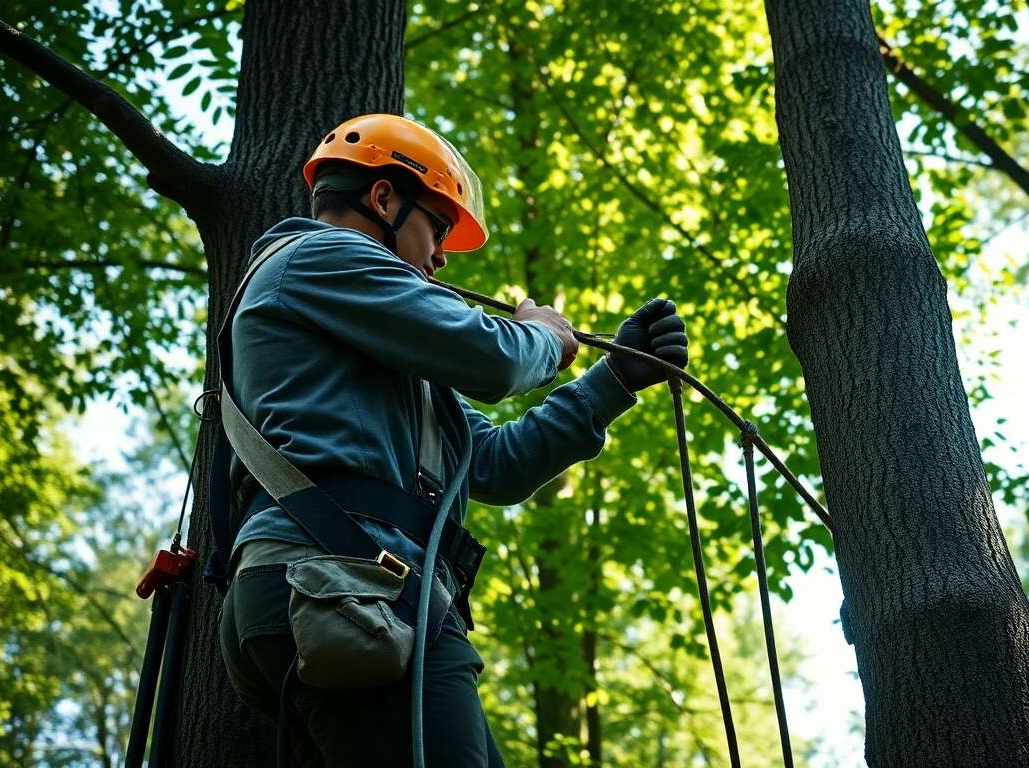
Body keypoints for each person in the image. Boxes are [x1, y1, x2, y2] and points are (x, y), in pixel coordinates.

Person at [215, 113, 689, 766]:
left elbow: (493, 465)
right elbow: (494, 360)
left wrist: (614, 382)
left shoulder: (387, 354)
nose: (440, 259)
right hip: (344, 582)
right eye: (435, 228)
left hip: (345, 590)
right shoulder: (325, 254)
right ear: (383, 199)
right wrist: (545, 336)